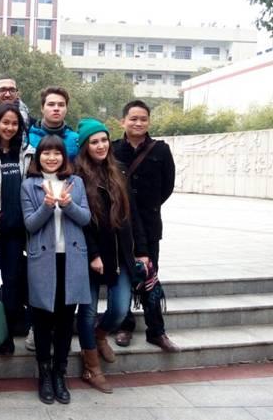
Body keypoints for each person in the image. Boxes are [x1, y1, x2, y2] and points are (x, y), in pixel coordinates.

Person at [74, 118, 149, 394]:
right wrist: (93, 254)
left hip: (121, 254)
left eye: (104, 140)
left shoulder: (119, 170)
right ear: (85, 146)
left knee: (119, 309)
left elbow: (133, 213)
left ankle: (100, 334)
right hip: (91, 256)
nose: (100, 145)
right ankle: (91, 367)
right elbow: (80, 222)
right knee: (87, 311)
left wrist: (142, 250)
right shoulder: (77, 176)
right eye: (94, 142)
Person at [21, 135, 91, 405]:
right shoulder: (30, 185)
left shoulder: (76, 183)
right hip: (42, 260)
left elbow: (85, 218)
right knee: (41, 320)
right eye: (46, 153)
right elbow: (30, 224)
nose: (51, 158)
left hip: (72, 259)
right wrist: (47, 206)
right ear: (38, 157)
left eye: (57, 153)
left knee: (64, 320)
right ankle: (44, 374)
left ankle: (60, 373)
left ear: (64, 156)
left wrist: (68, 204)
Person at [113, 100, 179, 352]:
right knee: (123, 276)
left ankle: (156, 331)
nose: (138, 123)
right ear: (123, 121)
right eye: (133, 119)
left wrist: (148, 206)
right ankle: (125, 325)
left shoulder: (161, 150)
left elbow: (168, 186)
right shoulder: (113, 149)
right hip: (120, 225)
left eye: (143, 119)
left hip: (149, 225)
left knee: (150, 274)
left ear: (149, 122)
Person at [0, 103, 35, 355]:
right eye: (5, 122)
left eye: (14, 123)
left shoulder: (28, 153)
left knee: (11, 284)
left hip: (17, 232)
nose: (9, 127)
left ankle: (7, 333)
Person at [27, 86, 79, 161]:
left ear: (66, 109)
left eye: (61, 105)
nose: (56, 108)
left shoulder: (76, 140)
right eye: (51, 104)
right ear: (42, 108)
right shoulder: (27, 139)